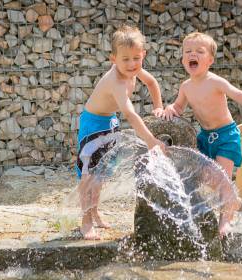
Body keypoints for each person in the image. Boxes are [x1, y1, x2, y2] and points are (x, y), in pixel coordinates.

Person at [164, 32, 242, 236]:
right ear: (183, 59)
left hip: (226, 136)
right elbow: (178, 107)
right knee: (204, 176)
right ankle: (231, 200)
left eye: (199, 51)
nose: (192, 54)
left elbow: (237, 94)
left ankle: (225, 220)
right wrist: (168, 109)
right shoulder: (186, 87)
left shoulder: (215, 81)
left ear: (210, 60)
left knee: (224, 178)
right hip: (205, 136)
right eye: (188, 51)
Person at [76, 25, 165, 240]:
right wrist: (151, 140)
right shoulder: (115, 80)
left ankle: (95, 211)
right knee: (88, 177)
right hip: (94, 127)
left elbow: (152, 83)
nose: (132, 64)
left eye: (137, 58)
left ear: (143, 54)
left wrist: (158, 107)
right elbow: (131, 114)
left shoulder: (134, 69)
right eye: (125, 59)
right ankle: (85, 221)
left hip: (110, 123)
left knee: (101, 175)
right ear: (113, 59)